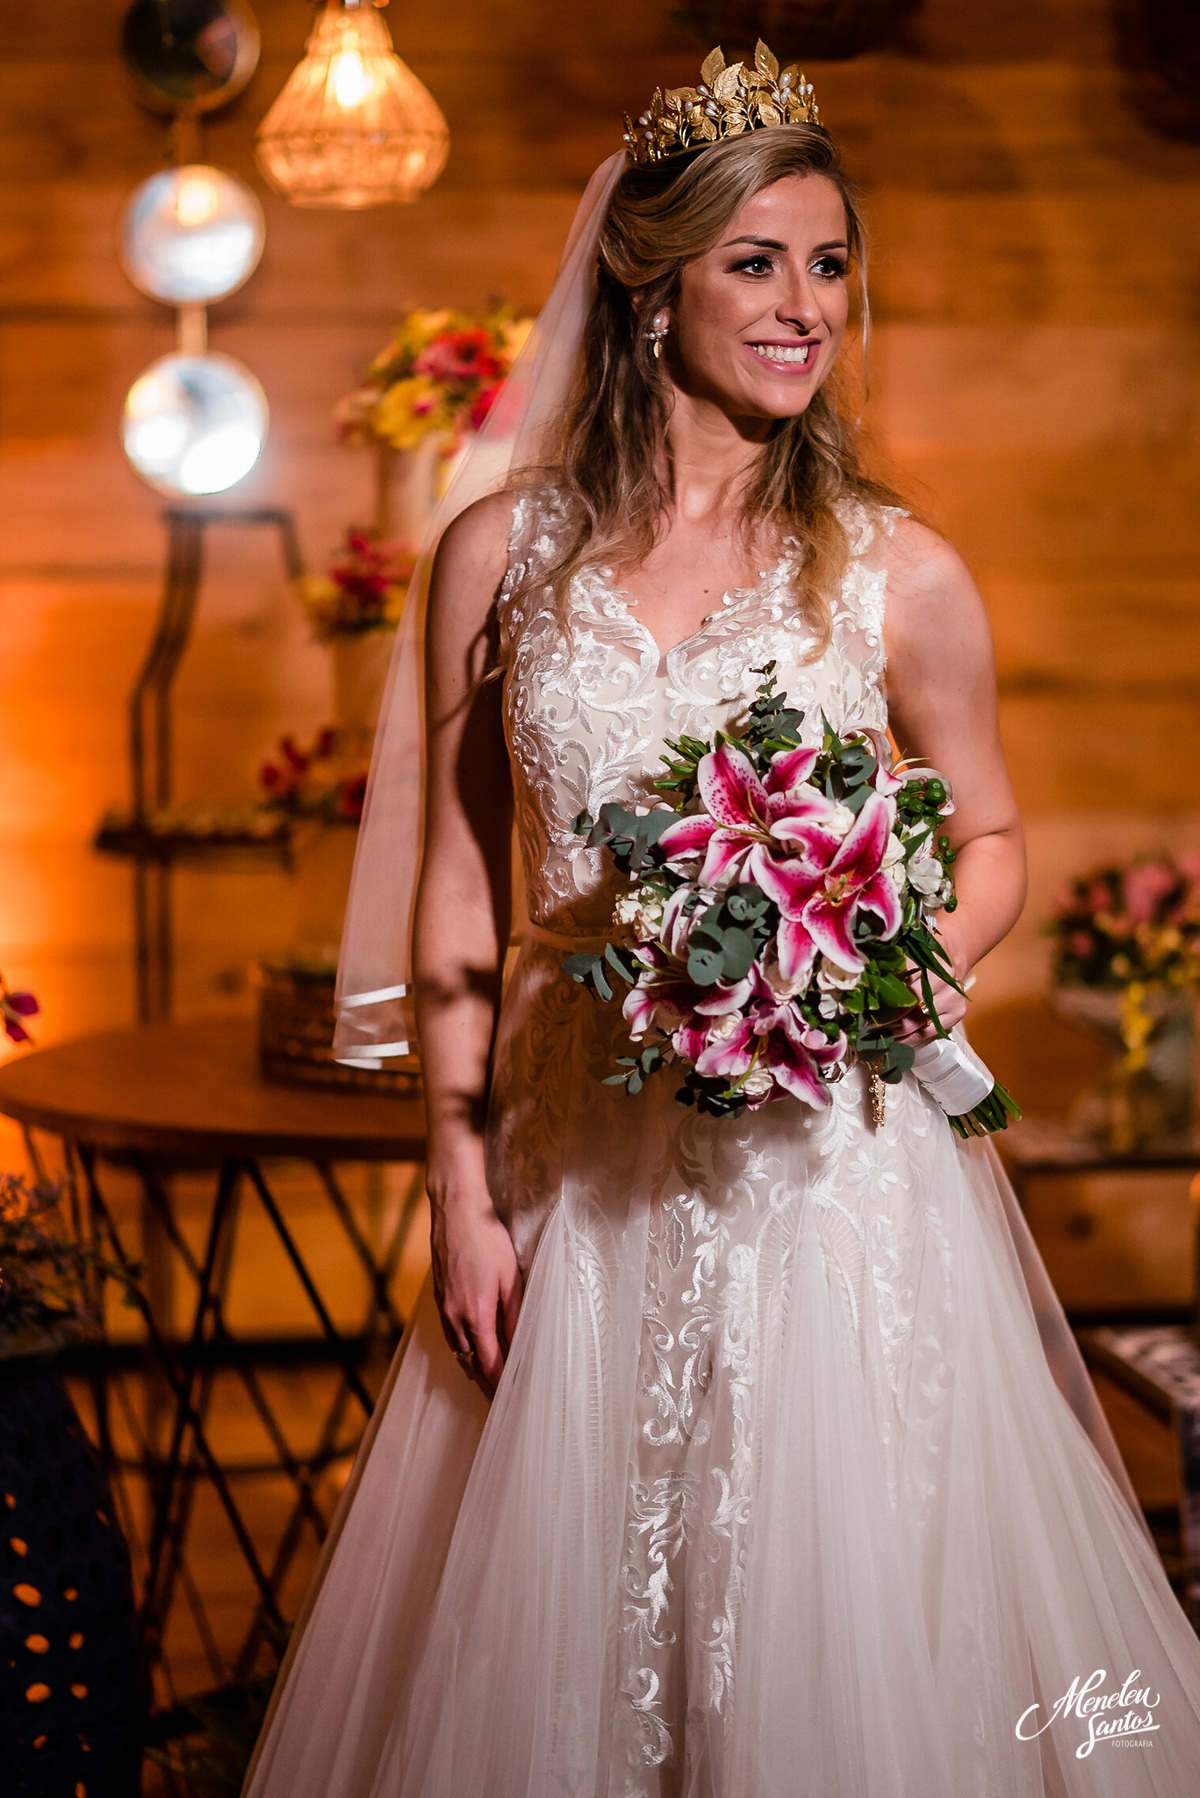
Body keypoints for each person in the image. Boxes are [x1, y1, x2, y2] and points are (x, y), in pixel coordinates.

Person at [245, 45, 1200, 1798]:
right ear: (651, 275)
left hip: (826, 1176)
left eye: (831, 265)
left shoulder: (896, 568)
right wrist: (459, 1193)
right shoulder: (498, 556)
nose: (805, 306)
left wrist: (875, 964)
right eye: (759, 261)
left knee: (839, 1623)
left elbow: (987, 832)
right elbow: (466, 886)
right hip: (576, 1169)